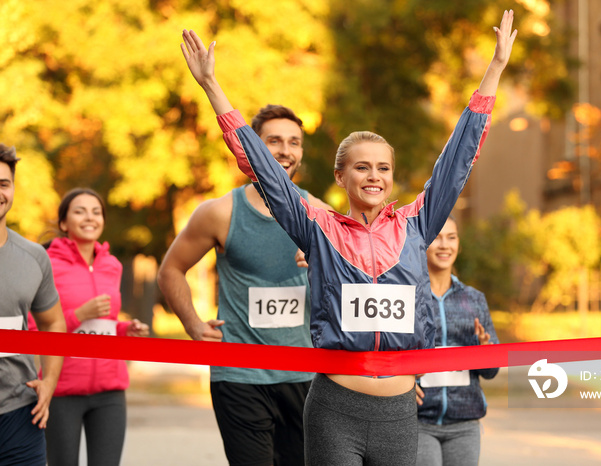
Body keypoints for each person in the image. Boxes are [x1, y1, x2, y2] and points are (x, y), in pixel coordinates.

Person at [180, 9, 516, 465]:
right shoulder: (317, 228)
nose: (373, 176)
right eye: (361, 166)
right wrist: (212, 87)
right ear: (341, 175)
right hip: (335, 409)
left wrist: (494, 69)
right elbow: (260, 165)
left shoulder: (417, 224)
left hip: (400, 412)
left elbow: (457, 162)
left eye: (383, 168)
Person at [157, 104, 331, 466]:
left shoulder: (321, 214)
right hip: (239, 372)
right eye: (274, 141)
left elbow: (355, 286)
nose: (286, 150)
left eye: (294, 142)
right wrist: (192, 323)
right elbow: (171, 269)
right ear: (253, 147)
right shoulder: (219, 213)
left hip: (305, 375)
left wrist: (323, 263)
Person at [29, 188, 150, 466]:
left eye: (96, 212)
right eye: (80, 211)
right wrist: (77, 315)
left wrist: (124, 329)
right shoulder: (46, 264)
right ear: (63, 223)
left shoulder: (112, 266)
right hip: (62, 390)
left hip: (110, 391)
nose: (90, 218)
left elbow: (103, 326)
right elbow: (34, 330)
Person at [0, 143, 66, 465]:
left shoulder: (34, 257)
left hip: (19, 414)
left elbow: (53, 322)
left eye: (3, 183)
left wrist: (49, 381)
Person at [415, 216, 499, 466]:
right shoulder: (409, 298)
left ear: (459, 245)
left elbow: (491, 371)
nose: (444, 245)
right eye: (437, 238)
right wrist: (403, 383)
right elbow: (389, 354)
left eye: (451, 238)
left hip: (465, 425)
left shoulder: (474, 300)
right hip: (419, 423)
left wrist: (486, 352)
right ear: (423, 243)